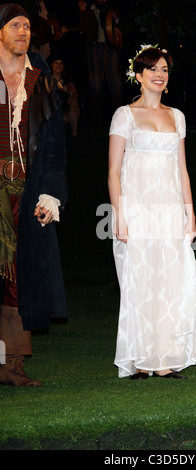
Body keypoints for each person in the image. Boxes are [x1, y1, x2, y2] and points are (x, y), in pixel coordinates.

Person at [108, 44, 196, 380]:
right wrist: (119, 215)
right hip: (137, 210)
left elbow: (182, 169)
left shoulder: (177, 116)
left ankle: (164, 359)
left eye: (164, 69)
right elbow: (113, 171)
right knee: (139, 281)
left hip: (169, 211)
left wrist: (190, 214)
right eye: (152, 68)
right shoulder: (124, 115)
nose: (159, 74)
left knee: (170, 281)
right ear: (138, 76)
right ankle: (140, 359)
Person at [0, 3, 68, 387]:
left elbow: (56, 145)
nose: (23, 31)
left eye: (27, 26)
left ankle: (11, 366)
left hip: (26, 191)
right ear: (0, 32)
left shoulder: (41, 81)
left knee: (18, 279)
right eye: (15, 25)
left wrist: (50, 195)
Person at [48, 52, 80, 138]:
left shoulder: (66, 80)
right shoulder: (48, 80)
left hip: (66, 108)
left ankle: (74, 131)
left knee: (73, 102)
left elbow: (74, 95)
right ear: (51, 65)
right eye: (56, 63)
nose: (59, 66)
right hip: (52, 109)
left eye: (61, 63)